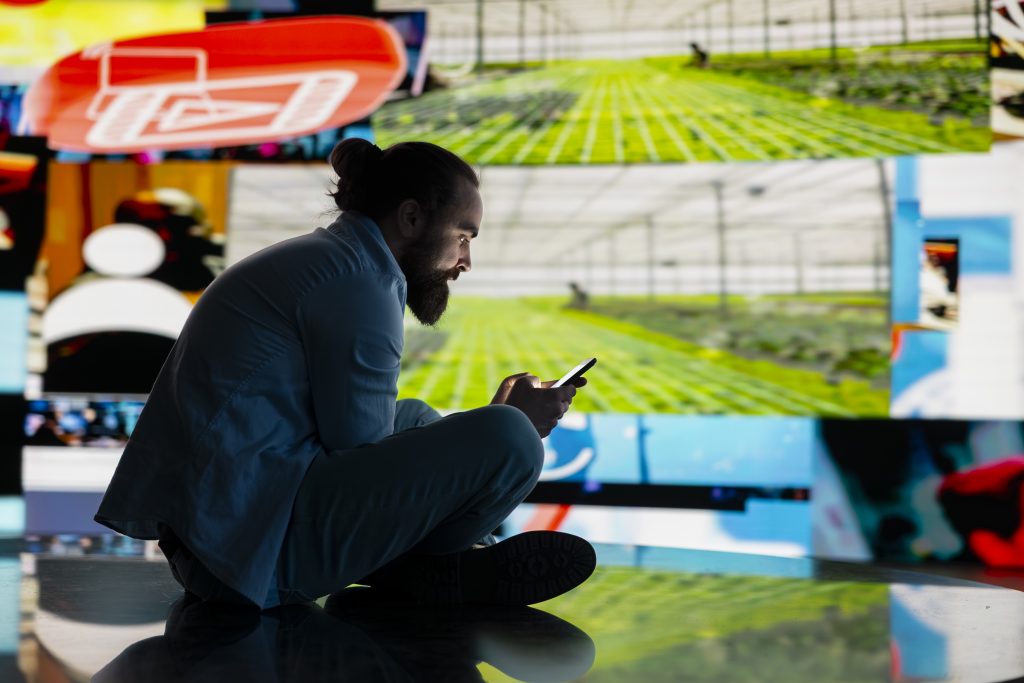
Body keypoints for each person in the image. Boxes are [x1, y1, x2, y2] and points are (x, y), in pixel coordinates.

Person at [94, 140, 596, 609]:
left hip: (221, 540)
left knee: (419, 418)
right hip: (244, 561)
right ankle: (431, 569)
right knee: (509, 439)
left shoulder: (331, 260)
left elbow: (364, 446)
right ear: (412, 217)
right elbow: (359, 446)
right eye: (463, 237)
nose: (466, 261)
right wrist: (513, 421)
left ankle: (429, 568)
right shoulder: (359, 281)